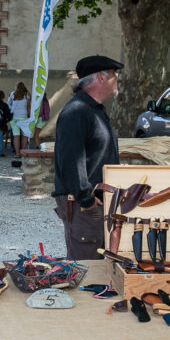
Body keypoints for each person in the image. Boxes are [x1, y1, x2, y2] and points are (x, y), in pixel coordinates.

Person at [52, 55, 123, 260]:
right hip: (84, 205)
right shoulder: (77, 111)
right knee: (86, 267)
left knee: (99, 267)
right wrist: (87, 199)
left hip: (95, 203)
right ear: (101, 78)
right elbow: (71, 160)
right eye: (113, 74)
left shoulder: (94, 109)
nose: (116, 79)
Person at [7, 82, 31, 158]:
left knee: (16, 136)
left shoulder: (12, 94)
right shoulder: (27, 95)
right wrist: (30, 116)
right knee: (25, 135)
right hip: (23, 117)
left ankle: (17, 153)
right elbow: (28, 107)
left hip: (14, 117)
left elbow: (10, 104)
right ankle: (23, 153)